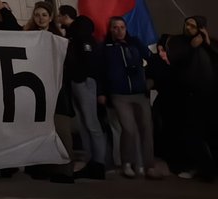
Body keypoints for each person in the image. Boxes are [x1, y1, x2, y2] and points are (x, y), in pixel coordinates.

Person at [97, 16, 164, 178]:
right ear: (110, 29)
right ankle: (127, 163)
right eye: (115, 27)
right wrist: (101, 92)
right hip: (119, 94)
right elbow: (100, 72)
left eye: (122, 27)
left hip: (139, 92)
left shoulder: (134, 42)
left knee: (146, 128)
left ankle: (149, 166)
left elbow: (151, 59)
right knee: (128, 129)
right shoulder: (105, 48)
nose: (119, 30)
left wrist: (150, 80)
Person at [165, 16, 218, 180]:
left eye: (193, 26)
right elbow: (175, 59)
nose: (188, 28)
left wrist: (207, 43)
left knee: (210, 134)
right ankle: (199, 168)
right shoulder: (177, 41)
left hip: (209, 96)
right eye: (187, 24)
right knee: (191, 134)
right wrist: (192, 47)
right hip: (187, 96)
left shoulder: (210, 43)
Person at [65, 16, 107, 180]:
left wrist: (81, 77)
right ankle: (91, 162)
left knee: (91, 124)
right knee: (84, 125)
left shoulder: (85, 41)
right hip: (78, 82)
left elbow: (90, 62)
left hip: (84, 82)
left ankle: (99, 163)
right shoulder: (76, 40)